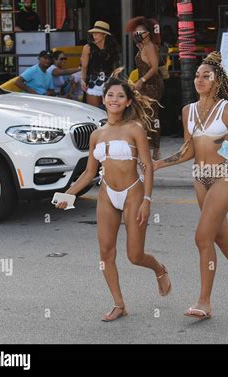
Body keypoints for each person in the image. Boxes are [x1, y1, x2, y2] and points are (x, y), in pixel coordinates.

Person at [154, 52, 228, 319]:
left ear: (217, 81)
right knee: (219, 236)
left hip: (225, 175)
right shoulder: (188, 111)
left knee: (202, 237)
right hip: (200, 177)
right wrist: (158, 164)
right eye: (197, 75)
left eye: (206, 76)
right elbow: (188, 151)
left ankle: (204, 302)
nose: (199, 79)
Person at [55, 69, 171, 322]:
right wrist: (68, 194)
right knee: (106, 254)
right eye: (110, 95)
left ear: (128, 101)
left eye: (120, 96)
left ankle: (159, 269)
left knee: (135, 255)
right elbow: (88, 173)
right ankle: (119, 304)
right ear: (104, 99)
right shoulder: (97, 134)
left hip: (133, 194)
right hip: (107, 193)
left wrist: (147, 201)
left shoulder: (135, 129)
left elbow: (148, 166)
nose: (114, 99)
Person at [126, 16, 164, 161]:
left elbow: (154, 67)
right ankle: (150, 146)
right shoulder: (145, 46)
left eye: (140, 33)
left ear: (148, 33)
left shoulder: (150, 47)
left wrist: (141, 80)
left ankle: (154, 148)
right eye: (135, 33)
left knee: (150, 115)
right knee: (146, 115)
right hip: (145, 84)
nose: (137, 36)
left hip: (151, 85)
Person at [80, 21, 120, 108]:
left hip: (109, 82)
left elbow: (115, 67)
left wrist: (117, 82)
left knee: (110, 112)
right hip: (93, 83)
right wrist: (82, 79)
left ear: (104, 34)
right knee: (93, 112)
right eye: (93, 33)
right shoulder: (88, 47)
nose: (94, 35)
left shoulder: (111, 48)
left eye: (97, 33)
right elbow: (84, 66)